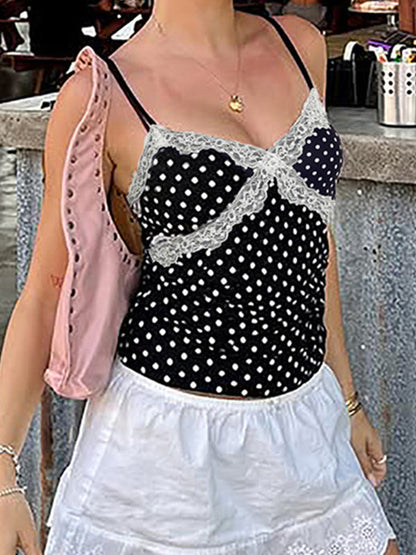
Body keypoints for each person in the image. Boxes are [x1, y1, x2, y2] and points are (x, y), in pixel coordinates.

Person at [0, 1, 399, 553]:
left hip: (309, 425)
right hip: (169, 456)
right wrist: (3, 474)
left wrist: (348, 401)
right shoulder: (102, 93)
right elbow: (45, 294)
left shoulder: (301, 46)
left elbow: (314, 239)